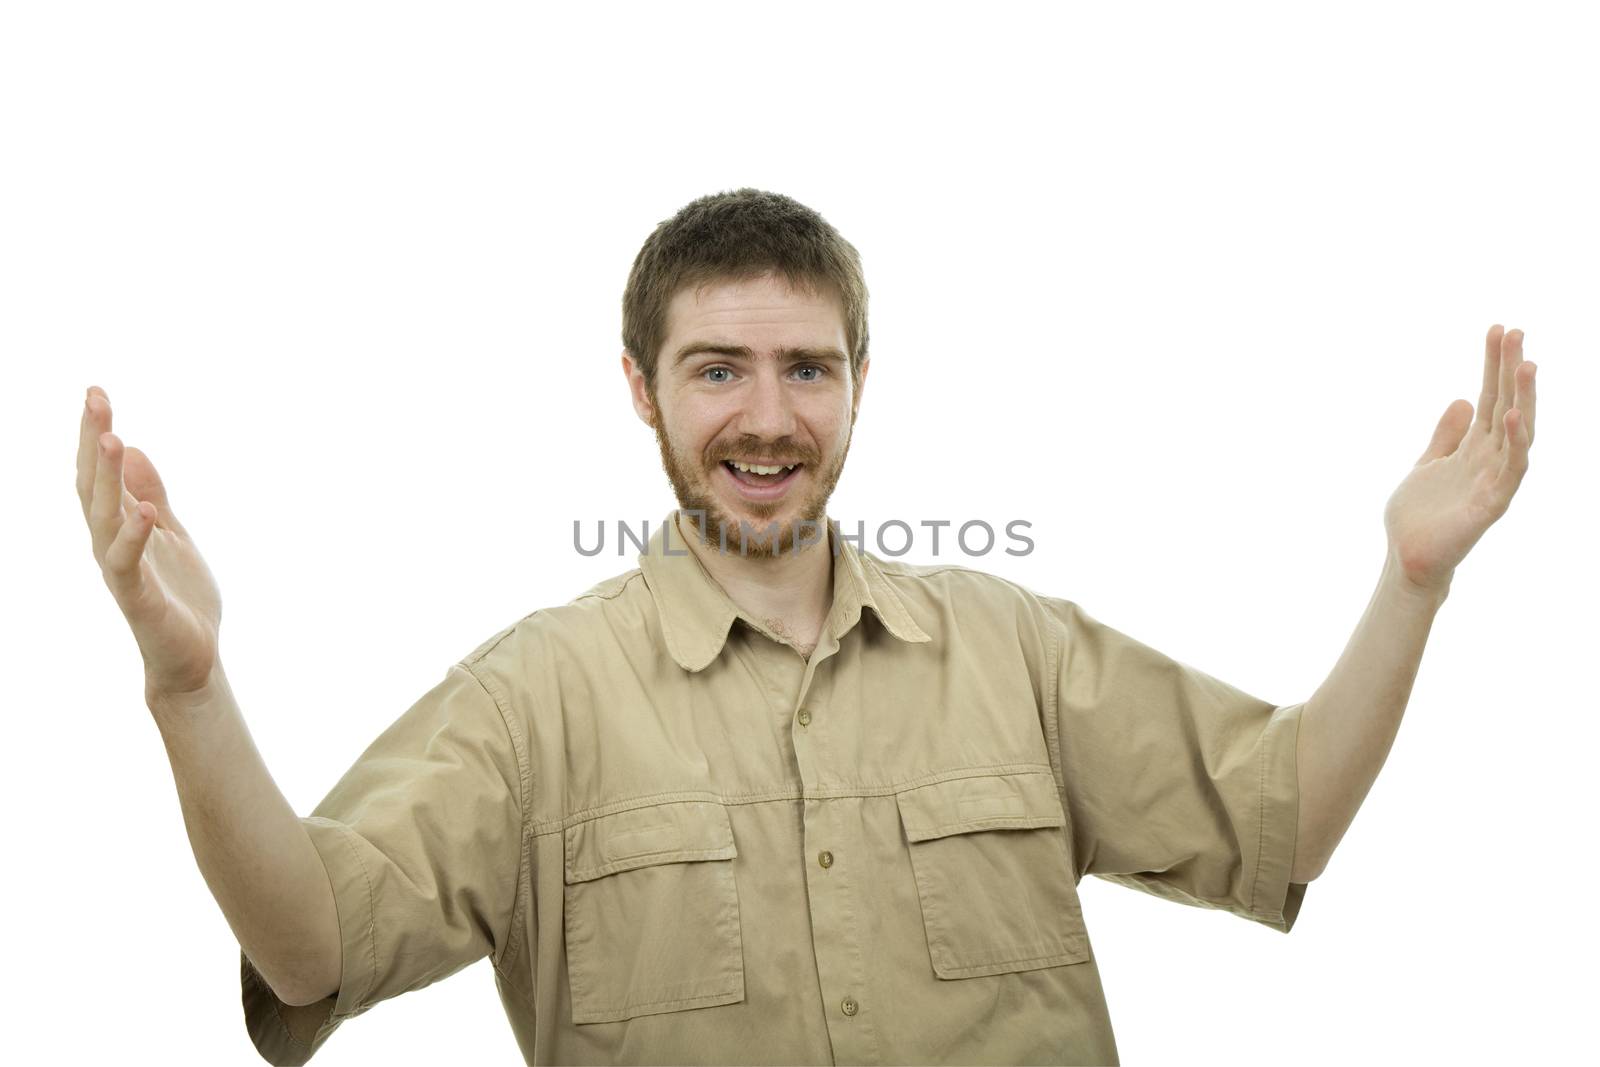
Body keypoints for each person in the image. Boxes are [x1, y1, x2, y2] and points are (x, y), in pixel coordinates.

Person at [76, 188, 1538, 1066]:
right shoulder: (536, 700)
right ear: (642, 388)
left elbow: (1278, 825)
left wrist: (1413, 583)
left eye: (808, 370)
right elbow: (317, 945)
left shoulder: (1012, 651)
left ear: (858, 380)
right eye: (718, 370)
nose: (768, 420)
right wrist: (190, 688)